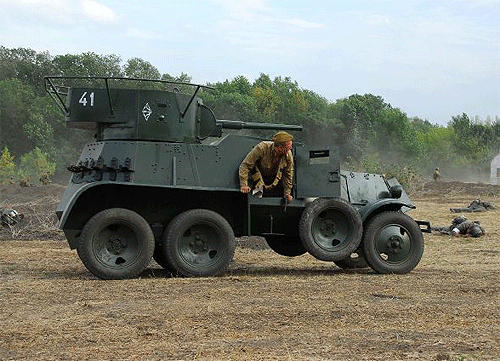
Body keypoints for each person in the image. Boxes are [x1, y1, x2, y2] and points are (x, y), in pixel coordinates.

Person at [239, 131, 294, 202]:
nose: (291, 148)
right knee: (256, 200)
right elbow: (245, 165)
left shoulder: (288, 155)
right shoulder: (262, 148)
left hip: (275, 180)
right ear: (280, 148)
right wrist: (244, 184)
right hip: (258, 179)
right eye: (288, 147)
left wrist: (287, 193)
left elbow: (288, 174)